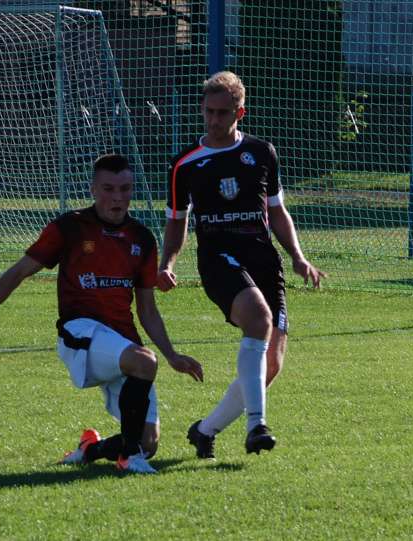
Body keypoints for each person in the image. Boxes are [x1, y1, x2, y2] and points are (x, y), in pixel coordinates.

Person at [0, 153, 203, 474]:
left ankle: (92, 449)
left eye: (125, 189)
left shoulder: (141, 238)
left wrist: (172, 354)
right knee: (144, 362)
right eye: (109, 188)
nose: (118, 197)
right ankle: (129, 458)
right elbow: (18, 272)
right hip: (79, 333)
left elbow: (147, 309)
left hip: (123, 346)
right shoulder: (70, 228)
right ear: (94, 189)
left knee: (148, 441)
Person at [157, 71, 326, 458]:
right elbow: (176, 220)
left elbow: (278, 212)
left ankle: (205, 430)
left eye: (224, 113)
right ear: (201, 110)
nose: (215, 121)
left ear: (240, 113)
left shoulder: (262, 153)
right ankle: (256, 426)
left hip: (263, 259)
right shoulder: (185, 164)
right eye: (209, 112)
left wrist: (299, 258)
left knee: (270, 367)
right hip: (218, 260)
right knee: (258, 318)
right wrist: (168, 262)